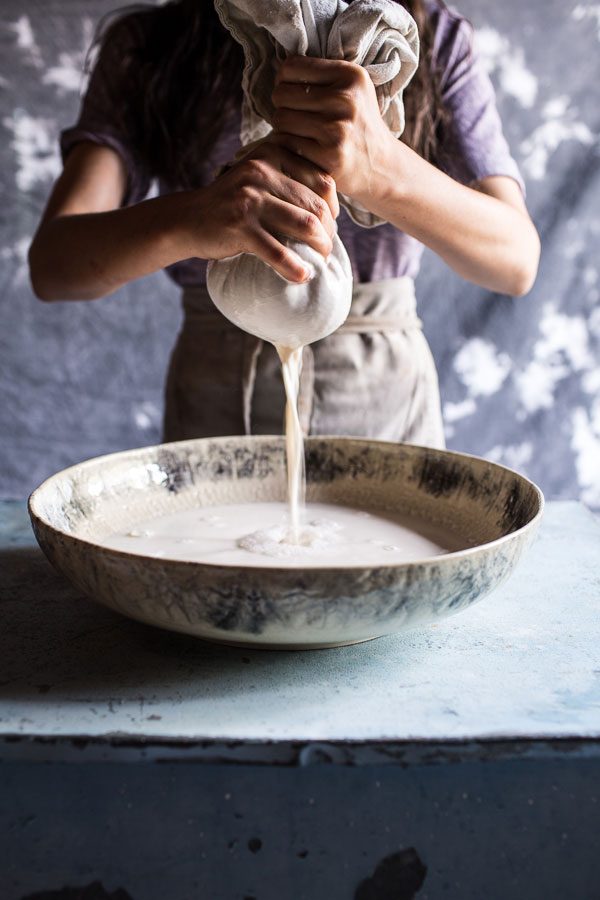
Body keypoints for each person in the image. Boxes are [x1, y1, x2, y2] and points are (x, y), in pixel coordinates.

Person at [28, 0, 540, 449]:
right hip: (213, 403)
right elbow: (54, 267)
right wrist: (196, 216)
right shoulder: (149, 47)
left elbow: (515, 261)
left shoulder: (428, 41)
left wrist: (382, 167)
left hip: (383, 405)